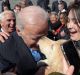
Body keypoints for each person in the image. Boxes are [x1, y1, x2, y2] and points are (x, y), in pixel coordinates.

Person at [0, 6, 74, 75]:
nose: (42, 42)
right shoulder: (5, 52)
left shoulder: (44, 34)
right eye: (35, 38)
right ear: (19, 31)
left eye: (44, 36)